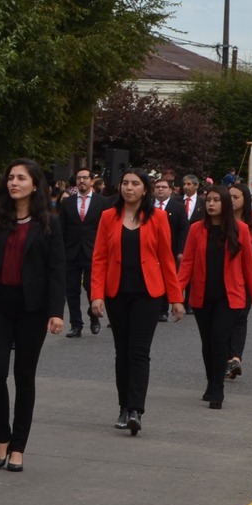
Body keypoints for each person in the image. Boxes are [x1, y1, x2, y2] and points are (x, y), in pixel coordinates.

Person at [0, 159, 65, 472]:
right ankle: (2, 438)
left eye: (21, 178)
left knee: (24, 376)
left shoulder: (49, 223)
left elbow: (57, 269)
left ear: (35, 185)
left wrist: (56, 312)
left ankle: (18, 447)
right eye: (10, 177)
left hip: (33, 308)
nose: (14, 183)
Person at [90, 169, 183, 435]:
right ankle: (123, 406)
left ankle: (135, 409)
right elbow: (99, 257)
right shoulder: (108, 216)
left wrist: (176, 298)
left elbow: (166, 259)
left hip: (148, 294)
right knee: (122, 352)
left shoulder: (158, 217)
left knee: (139, 351)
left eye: (135, 184)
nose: (129, 188)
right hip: (116, 293)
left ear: (145, 189)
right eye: (125, 183)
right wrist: (96, 294)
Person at [180, 187, 252, 408]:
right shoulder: (196, 229)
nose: (211, 204)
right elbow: (187, 262)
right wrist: (176, 293)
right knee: (207, 342)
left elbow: (249, 265)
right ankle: (211, 382)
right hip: (202, 295)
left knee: (219, 339)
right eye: (208, 200)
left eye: (216, 200)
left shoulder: (241, 229)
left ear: (225, 204)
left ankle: (218, 388)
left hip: (229, 296)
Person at [225, 180, 252, 374]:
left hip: (247, 279)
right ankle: (226, 357)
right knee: (225, 319)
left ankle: (235, 357)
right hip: (225, 278)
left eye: (236, 197)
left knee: (240, 318)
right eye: (229, 197)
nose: (232, 200)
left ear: (245, 199)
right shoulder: (221, 222)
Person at [56, 167, 105, 336]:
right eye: (79, 178)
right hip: (71, 252)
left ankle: (94, 316)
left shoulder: (101, 202)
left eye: (85, 178)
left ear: (92, 181)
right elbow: (61, 228)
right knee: (72, 290)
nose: (82, 181)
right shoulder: (67, 202)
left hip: (93, 252)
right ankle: (76, 324)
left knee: (91, 287)